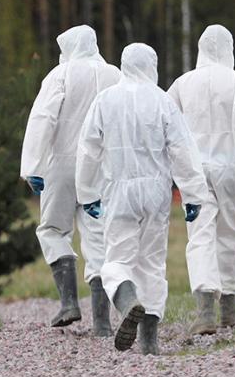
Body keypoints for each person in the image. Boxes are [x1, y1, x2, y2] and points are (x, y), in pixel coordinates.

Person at [76, 42, 208, 355]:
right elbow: (182, 150)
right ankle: (149, 342)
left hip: (119, 190)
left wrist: (87, 193)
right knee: (151, 263)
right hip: (156, 193)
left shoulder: (105, 100)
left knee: (117, 260)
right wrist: (193, 195)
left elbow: (88, 149)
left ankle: (127, 301)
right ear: (152, 65)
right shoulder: (162, 101)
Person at [167, 25, 235, 336]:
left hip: (194, 172)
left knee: (200, 235)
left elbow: (167, 131)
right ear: (229, 48)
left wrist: (167, 172)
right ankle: (228, 303)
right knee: (230, 234)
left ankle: (205, 310)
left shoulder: (182, 84)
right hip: (231, 171)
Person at [19, 25, 122, 333]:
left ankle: (69, 303)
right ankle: (102, 323)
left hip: (60, 165)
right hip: (100, 168)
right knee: (98, 238)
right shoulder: (114, 75)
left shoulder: (59, 75)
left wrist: (32, 167)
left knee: (52, 230)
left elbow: (42, 119)